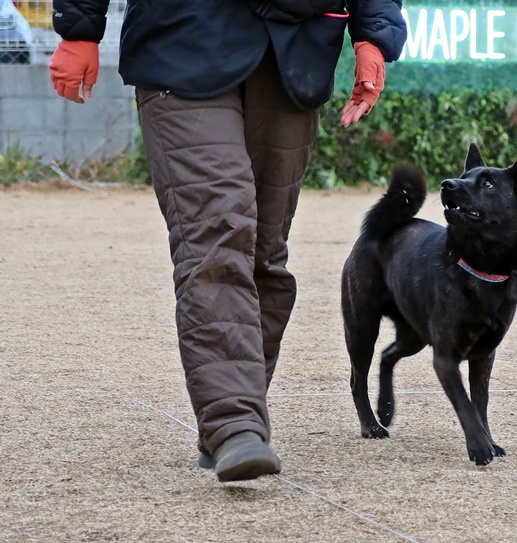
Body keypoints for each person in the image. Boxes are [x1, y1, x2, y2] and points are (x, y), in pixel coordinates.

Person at [48, 0, 407, 482]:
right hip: (182, 39)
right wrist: (79, 27)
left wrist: (374, 35)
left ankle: (233, 409)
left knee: (265, 257)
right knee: (217, 237)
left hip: (294, 50)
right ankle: (235, 423)